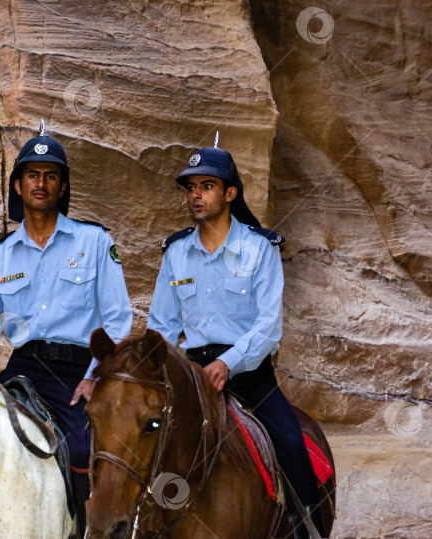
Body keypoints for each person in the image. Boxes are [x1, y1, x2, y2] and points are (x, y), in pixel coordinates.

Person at [146, 135, 325, 538]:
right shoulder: (176, 253)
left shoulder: (259, 249)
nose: (196, 195)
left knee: (291, 444)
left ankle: (306, 528)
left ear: (229, 193)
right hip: (192, 376)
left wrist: (228, 363)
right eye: (191, 188)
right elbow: (160, 326)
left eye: (206, 186)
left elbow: (268, 328)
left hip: (249, 375)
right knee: (146, 443)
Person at [0, 121, 133, 537]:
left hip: (81, 371)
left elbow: (118, 321)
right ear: (18, 186)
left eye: (51, 176)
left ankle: (82, 531)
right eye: (32, 175)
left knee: (79, 450)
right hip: (23, 369)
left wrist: (96, 378)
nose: (41, 183)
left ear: (62, 187)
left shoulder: (93, 243)